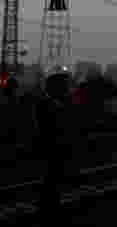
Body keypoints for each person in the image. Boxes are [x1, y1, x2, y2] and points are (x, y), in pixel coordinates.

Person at [35, 69, 75, 225]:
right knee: (51, 180)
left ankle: (50, 208)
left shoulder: (52, 104)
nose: (66, 88)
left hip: (53, 148)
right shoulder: (49, 105)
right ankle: (48, 210)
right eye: (64, 85)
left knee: (53, 180)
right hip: (51, 148)